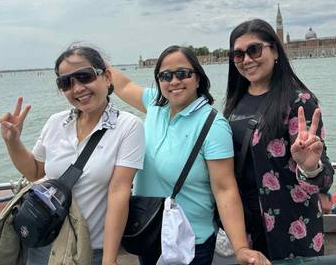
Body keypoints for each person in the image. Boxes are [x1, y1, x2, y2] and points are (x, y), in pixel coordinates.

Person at [110, 45, 270, 265]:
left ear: (198, 79)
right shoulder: (156, 105)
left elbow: (225, 189)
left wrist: (241, 247)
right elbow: (124, 85)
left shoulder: (213, 126)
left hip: (188, 243)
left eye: (183, 73)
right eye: (165, 76)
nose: (174, 81)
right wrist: (92, 63)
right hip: (148, 231)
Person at [0, 45, 145, 265]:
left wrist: (109, 259)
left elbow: (119, 193)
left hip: (89, 249)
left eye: (84, 77)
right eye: (66, 83)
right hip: (44, 241)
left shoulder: (128, 127)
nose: (77, 88)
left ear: (106, 78)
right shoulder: (56, 122)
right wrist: (13, 141)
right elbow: (35, 172)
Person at [224, 19, 334, 260]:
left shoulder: (299, 102)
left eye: (254, 50)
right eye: (238, 54)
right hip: (245, 223)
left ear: (274, 50)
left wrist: (309, 166)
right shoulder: (235, 101)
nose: (247, 60)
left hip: (290, 225)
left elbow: (323, 178)